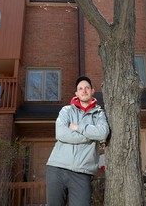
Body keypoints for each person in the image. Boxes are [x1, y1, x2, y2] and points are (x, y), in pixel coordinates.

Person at [46, 76, 110, 206]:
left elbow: (103, 132)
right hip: (57, 168)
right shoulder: (66, 111)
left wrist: (78, 128)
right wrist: (90, 135)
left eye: (87, 88)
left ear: (92, 91)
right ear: (76, 93)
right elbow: (61, 134)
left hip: (82, 172)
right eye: (80, 88)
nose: (84, 90)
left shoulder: (99, 114)